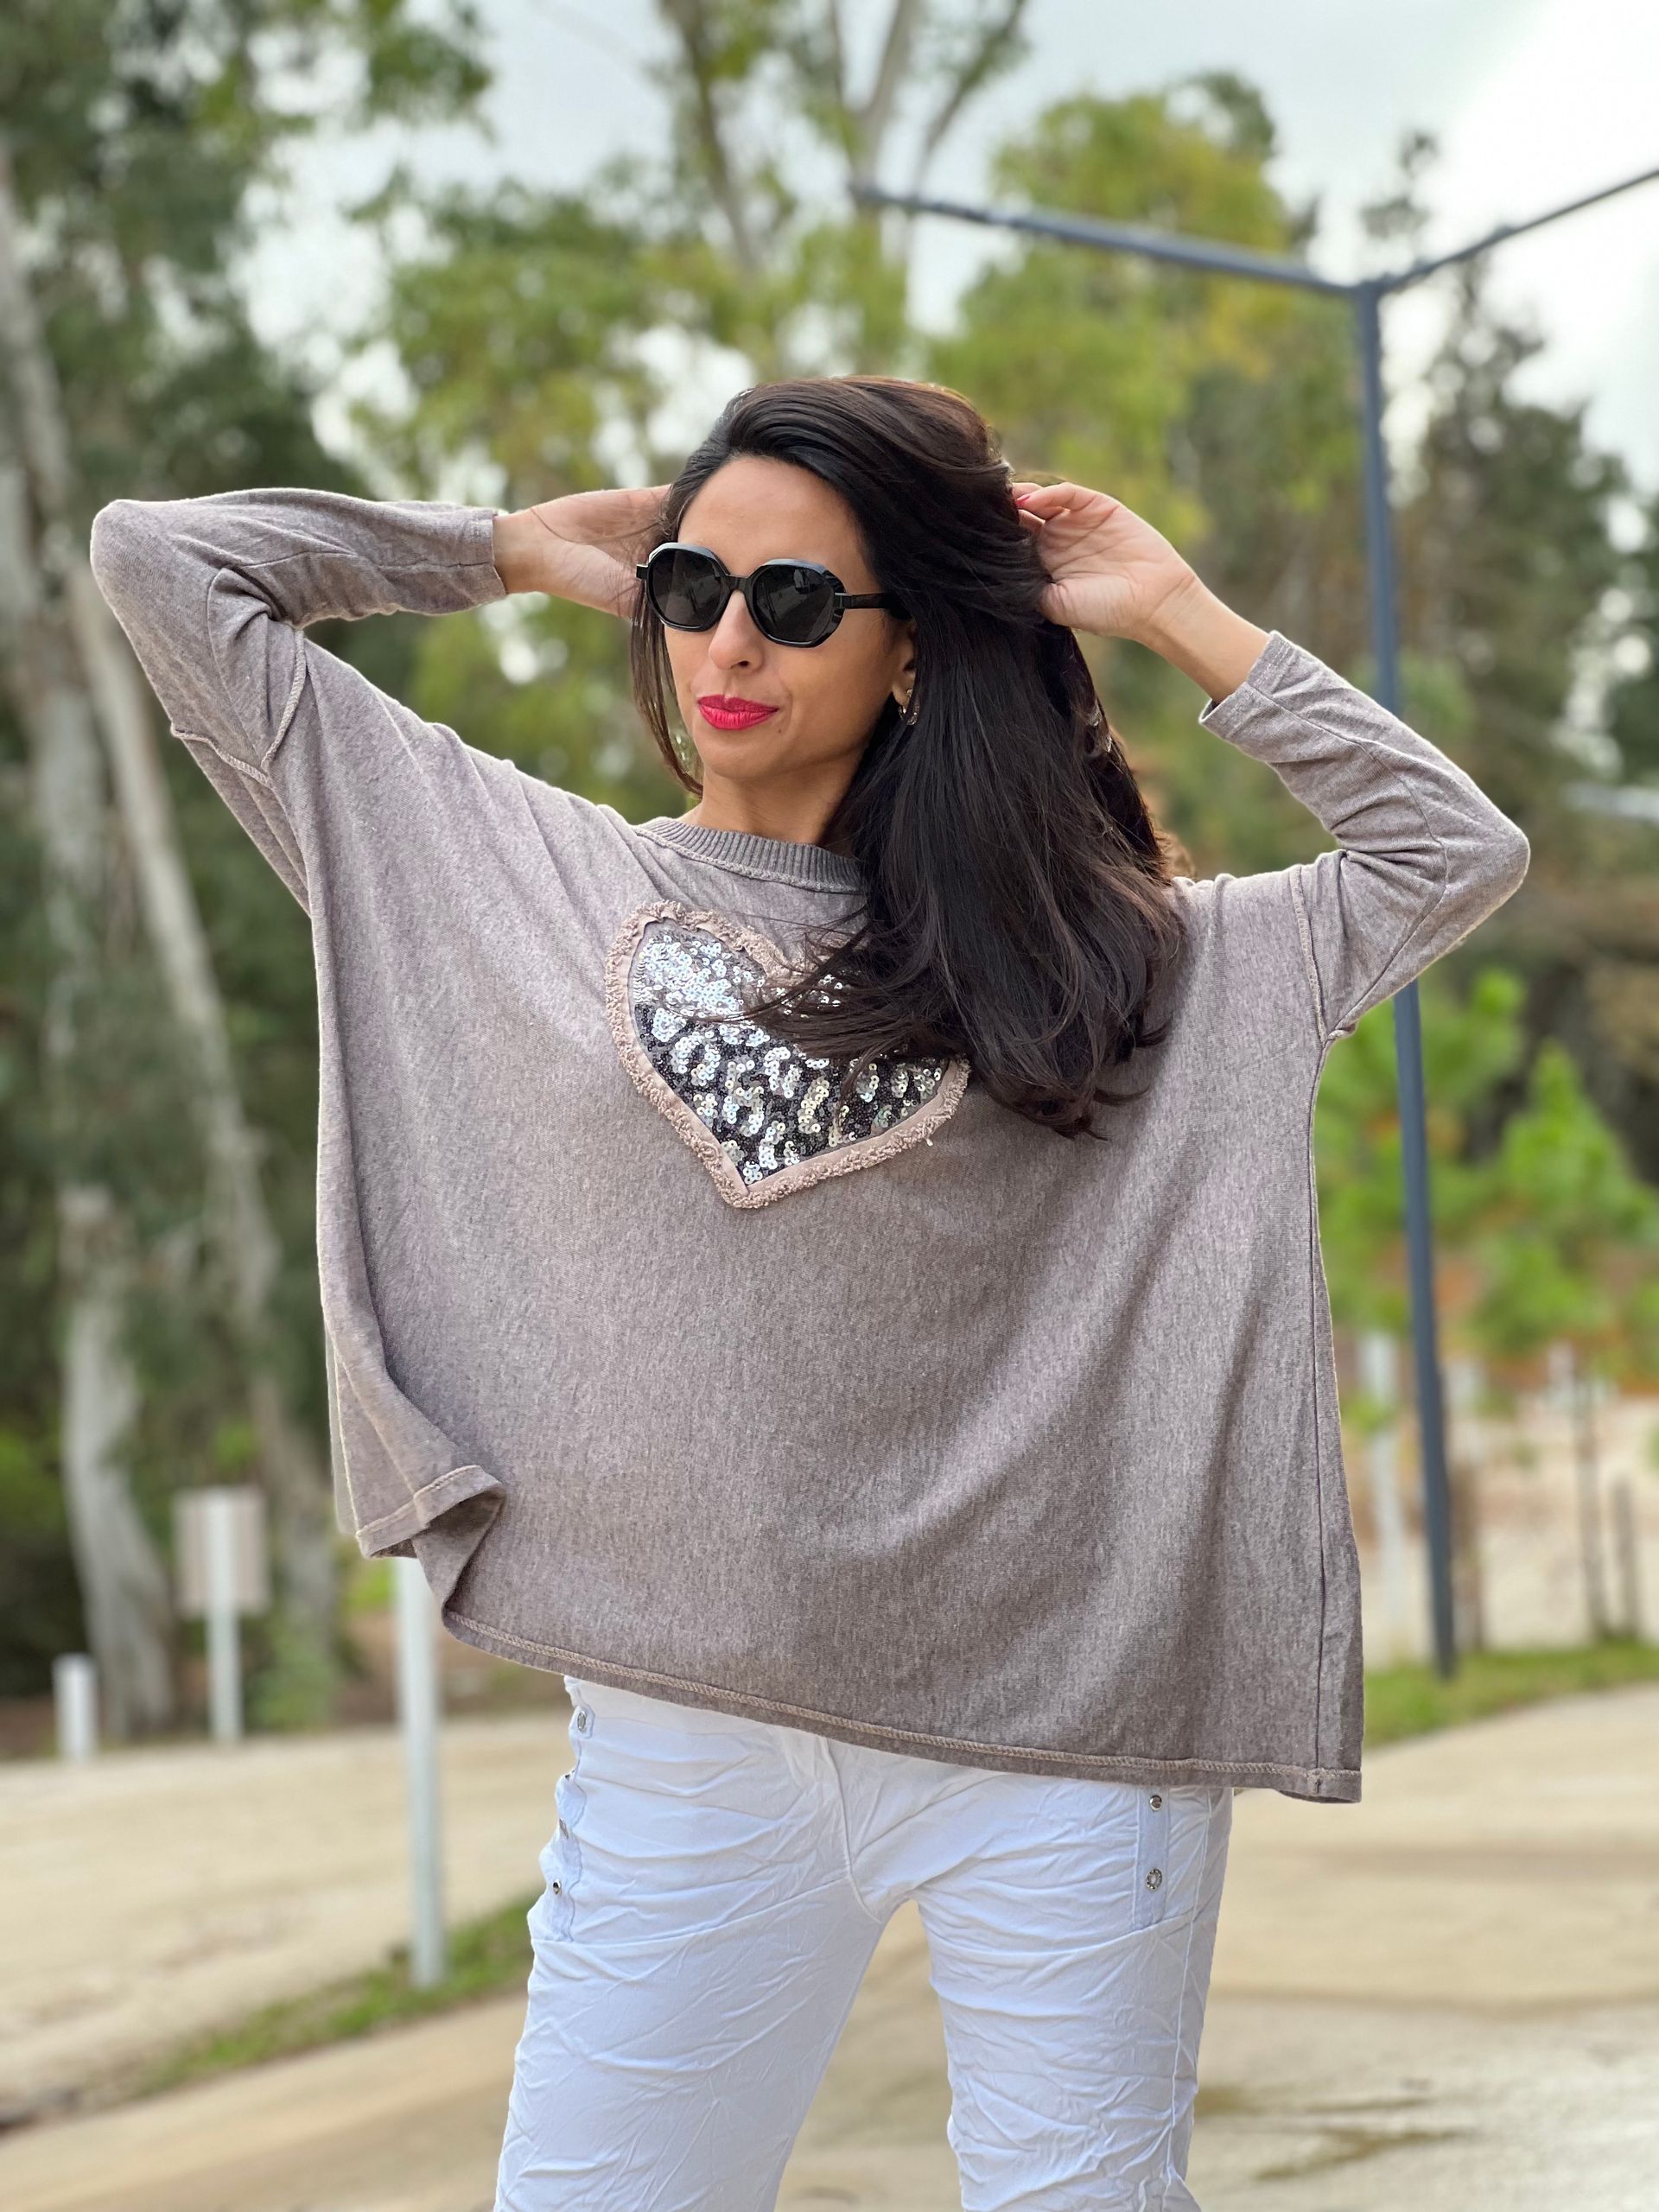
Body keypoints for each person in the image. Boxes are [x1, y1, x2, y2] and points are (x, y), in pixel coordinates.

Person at [89, 373, 1529, 2211]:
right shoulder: (510, 870)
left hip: (1070, 1742)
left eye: (794, 602)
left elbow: (1451, 854)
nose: (726, 642)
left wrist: (1178, 612)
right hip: (696, 1748)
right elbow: (160, 564)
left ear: (912, 647)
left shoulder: (1121, 961)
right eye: (693, 587)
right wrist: (502, 552)